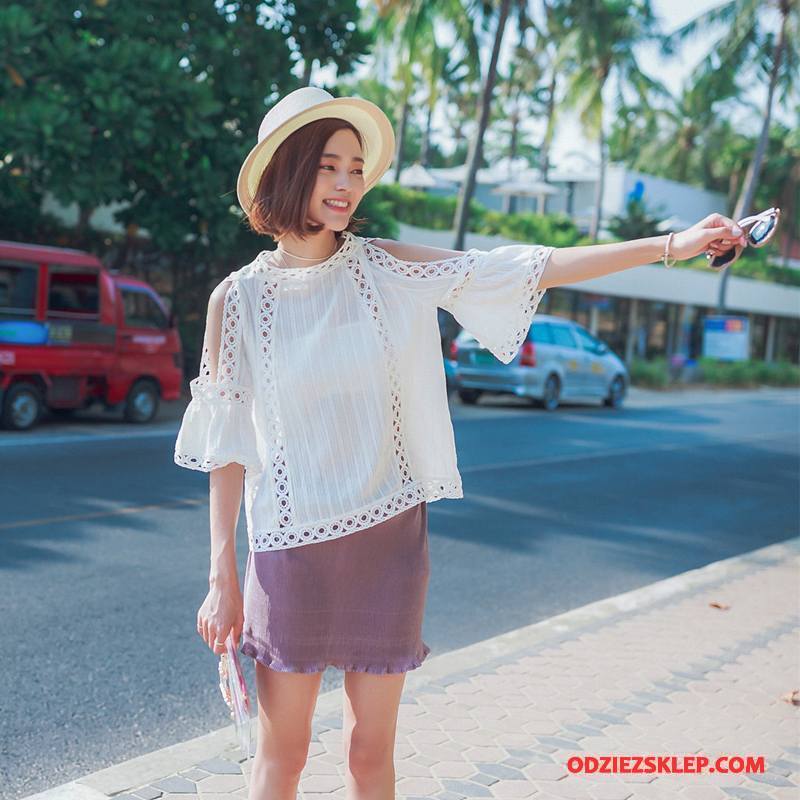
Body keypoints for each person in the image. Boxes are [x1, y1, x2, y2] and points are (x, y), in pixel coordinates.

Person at [173, 86, 749, 800]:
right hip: (289, 548)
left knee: (369, 753)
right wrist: (222, 576)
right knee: (280, 757)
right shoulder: (237, 300)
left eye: (356, 169)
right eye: (329, 166)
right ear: (288, 170)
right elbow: (227, 445)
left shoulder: (385, 267)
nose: (348, 183)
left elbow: (526, 266)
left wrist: (670, 246)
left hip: (387, 538)